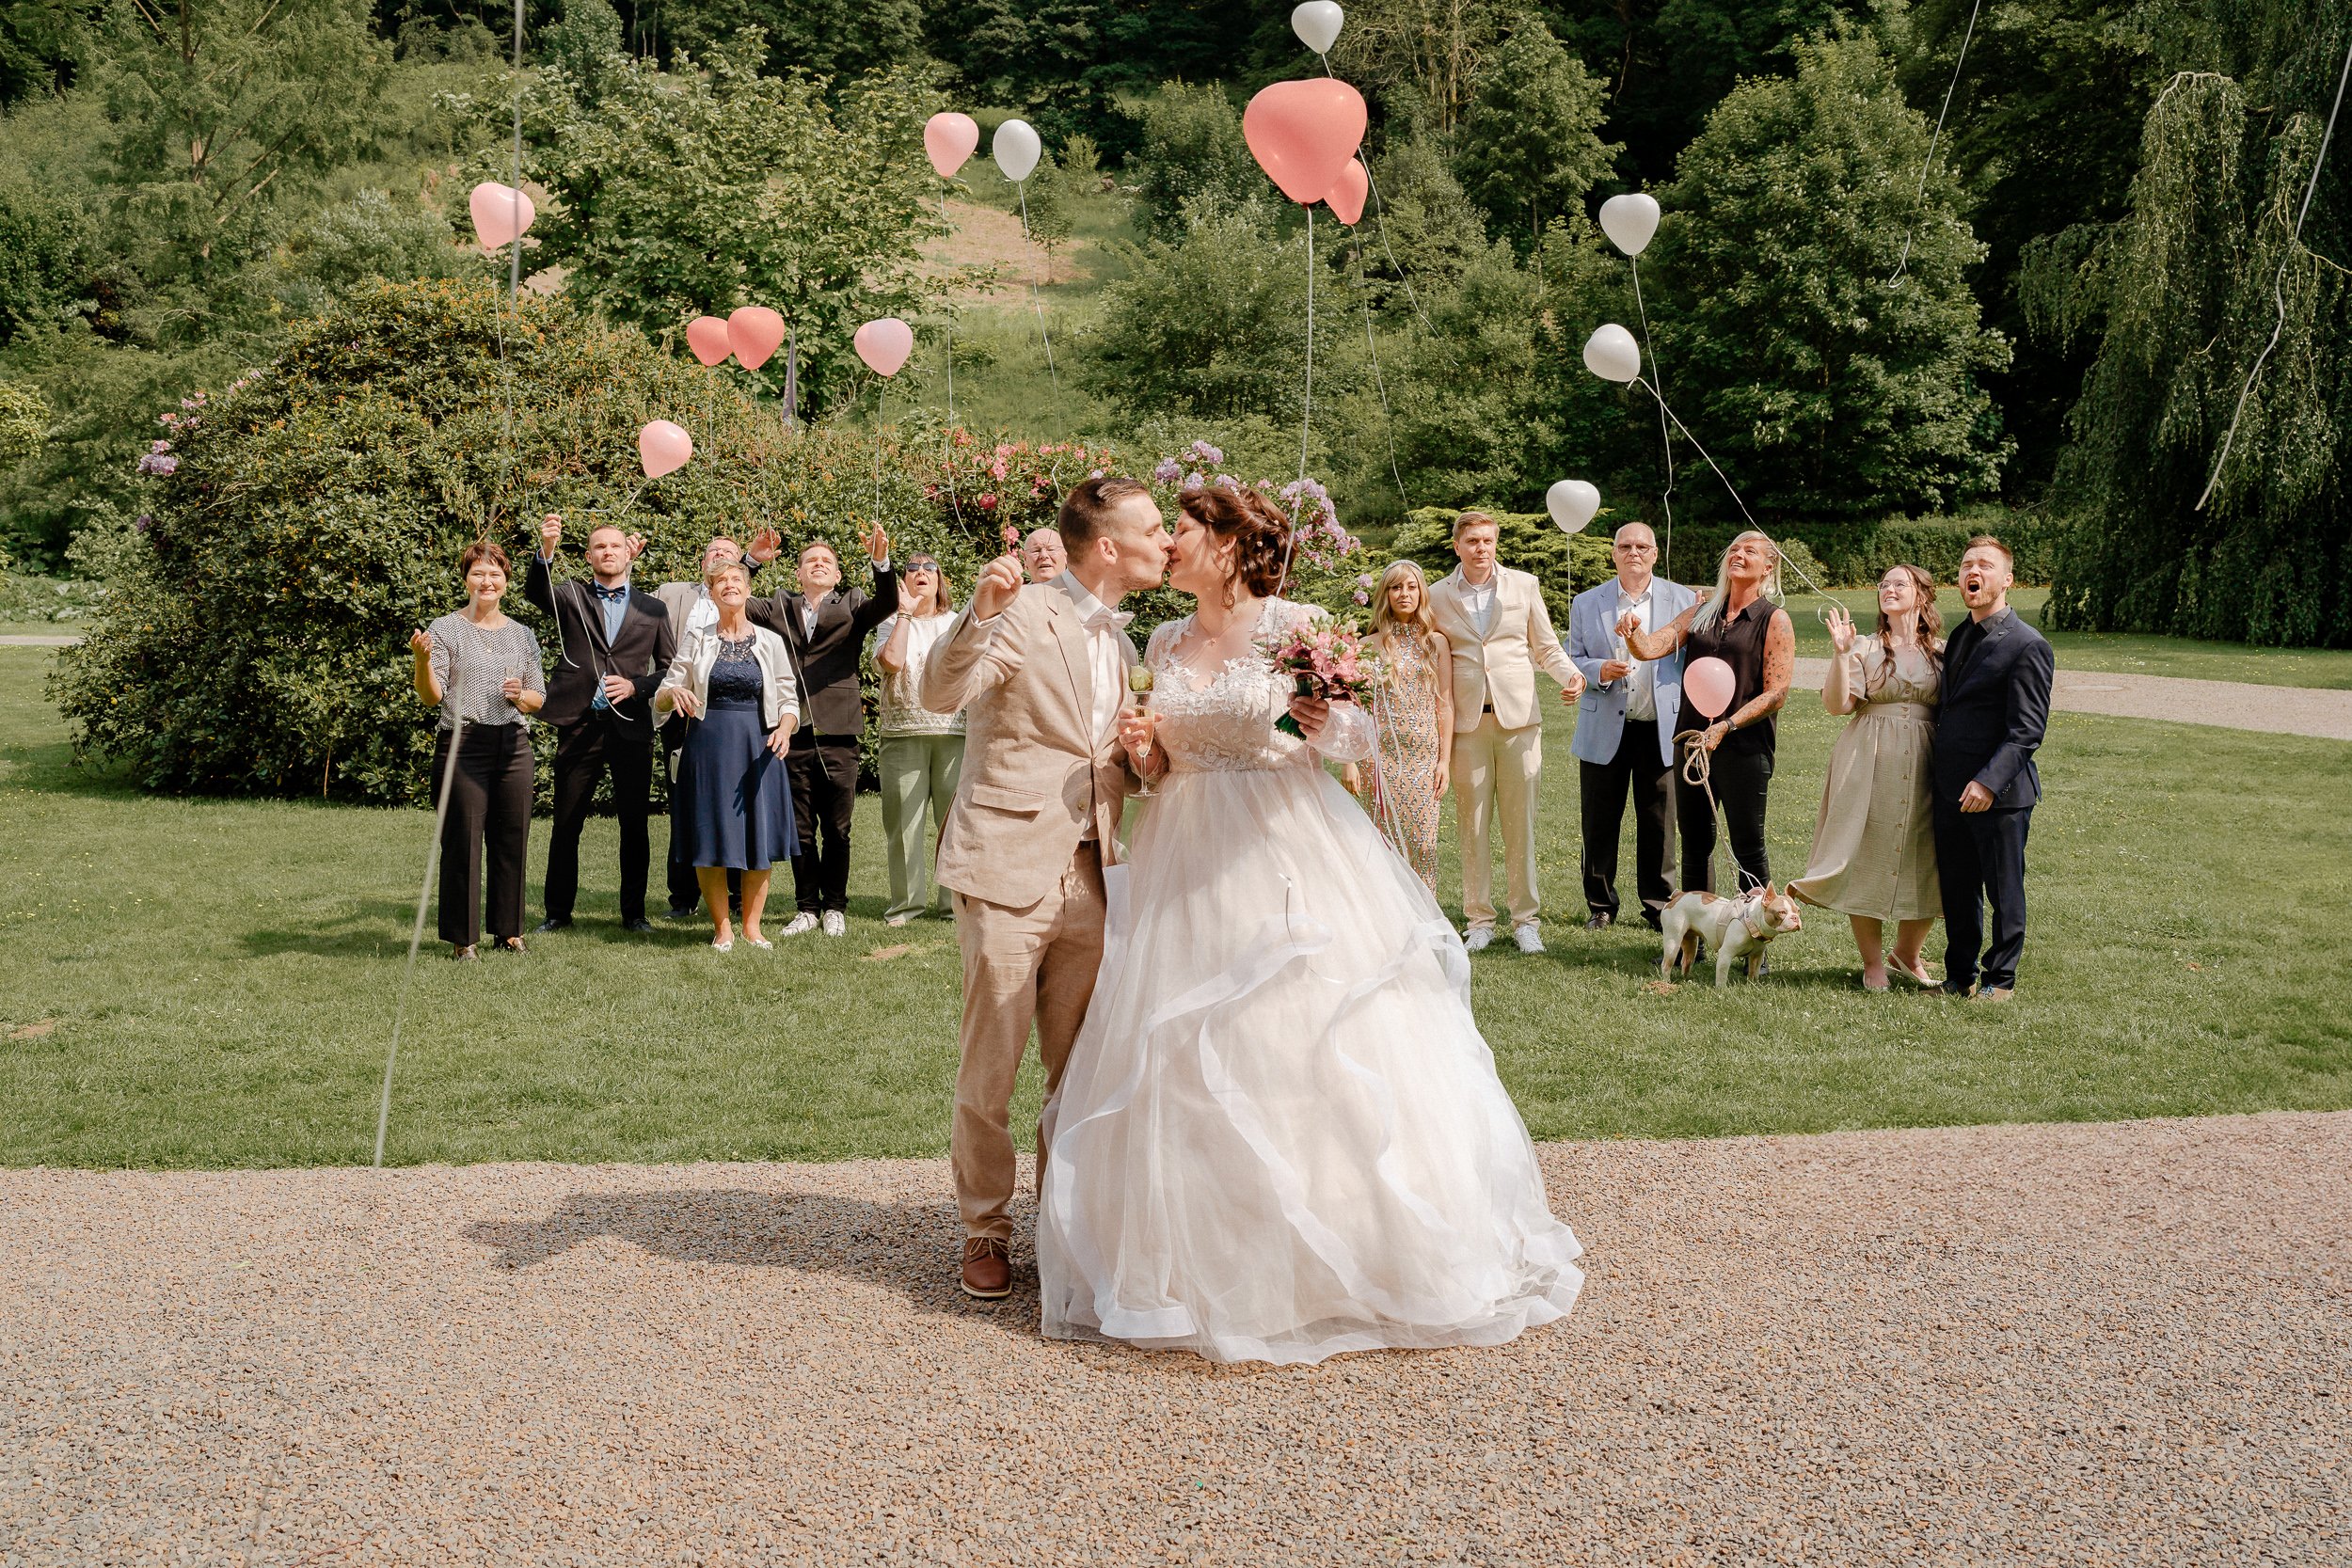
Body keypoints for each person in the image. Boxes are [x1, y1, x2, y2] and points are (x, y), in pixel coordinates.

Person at [1037, 483, 1582, 1366]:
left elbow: (1361, 738)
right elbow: (1164, 751)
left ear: (1225, 543)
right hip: (1186, 847)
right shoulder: (1165, 639)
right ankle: (1202, 1245)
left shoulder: (1300, 622)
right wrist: (1145, 749)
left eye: (1181, 530)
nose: (1168, 544)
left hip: (1286, 842)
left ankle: (1342, 1247)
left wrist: (1331, 721)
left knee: (1306, 1033)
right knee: (1180, 1044)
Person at [918, 476, 1162, 1300]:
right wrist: (978, 613)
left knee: (1080, 1067)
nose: (1166, 542)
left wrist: (1142, 757)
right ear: (1108, 546)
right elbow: (939, 692)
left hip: (1094, 869)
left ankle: (1060, 1219)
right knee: (991, 1063)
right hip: (1005, 862)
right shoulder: (1024, 611)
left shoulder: (1123, 643)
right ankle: (984, 1227)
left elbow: (1107, 756)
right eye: (1153, 529)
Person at [1427, 512, 1585, 954]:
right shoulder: (1438, 595)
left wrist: (1571, 675)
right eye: (1473, 541)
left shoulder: (1523, 585)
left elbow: (1545, 645)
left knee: (1521, 825)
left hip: (1518, 721)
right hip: (1466, 725)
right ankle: (1479, 920)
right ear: (1457, 546)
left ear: (1496, 544)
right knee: (1472, 824)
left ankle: (1525, 920)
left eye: (1489, 540)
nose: (1482, 548)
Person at [1790, 566, 1946, 990]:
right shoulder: (1863, 646)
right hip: (1868, 756)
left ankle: (1907, 954)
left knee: (1927, 851)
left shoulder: (1944, 652)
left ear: (1923, 596)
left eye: (1900, 584)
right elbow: (1838, 705)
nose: (1889, 590)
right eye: (1883, 585)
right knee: (1868, 849)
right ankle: (1873, 962)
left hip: (1928, 759)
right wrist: (1841, 655)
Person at [1618, 530, 1795, 900]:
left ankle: (1755, 943)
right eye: (1734, 549)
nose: (1739, 555)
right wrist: (1633, 635)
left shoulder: (1773, 619)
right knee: (1696, 844)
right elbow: (1651, 648)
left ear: (1768, 566)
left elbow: (1776, 692)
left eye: (1750, 551)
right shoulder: (1700, 613)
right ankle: (1693, 946)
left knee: (1749, 845)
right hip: (1692, 742)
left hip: (1745, 747)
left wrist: (1727, 726)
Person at [743, 525, 896, 937]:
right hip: (788, 731)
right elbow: (732, 595)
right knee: (800, 826)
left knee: (838, 826)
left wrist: (881, 562)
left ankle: (835, 907)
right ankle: (806, 907)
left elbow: (888, 601)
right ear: (798, 573)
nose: (819, 564)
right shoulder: (777, 604)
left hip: (839, 731)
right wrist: (752, 561)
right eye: (811, 560)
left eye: (827, 561)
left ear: (838, 574)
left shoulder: (853, 603)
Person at [526, 512, 675, 935]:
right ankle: (557, 913)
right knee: (567, 821)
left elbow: (669, 668)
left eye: (615, 545)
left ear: (630, 552)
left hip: (631, 726)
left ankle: (634, 914)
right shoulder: (572, 595)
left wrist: (636, 686)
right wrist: (547, 550)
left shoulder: (653, 607)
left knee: (634, 823)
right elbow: (537, 591)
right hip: (579, 722)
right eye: (600, 547)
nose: (608, 552)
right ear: (589, 556)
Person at [408, 540, 546, 959]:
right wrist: (421, 661)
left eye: (495, 574)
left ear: (506, 581)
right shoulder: (445, 629)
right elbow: (432, 697)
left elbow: (539, 698)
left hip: (512, 743)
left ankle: (509, 931)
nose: (487, 581)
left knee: (511, 839)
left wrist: (522, 695)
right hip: (462, 745)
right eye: (478, 573)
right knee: (463, 842)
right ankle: (462, 939)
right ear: (466, 578)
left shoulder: (522, 634)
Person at [654, 562, 800, 951]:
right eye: (721, 582)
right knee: (710, 833)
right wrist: (674, 695)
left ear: (748, 590)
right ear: (712, 592)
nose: (730, 586)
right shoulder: (697, 638)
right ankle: (723, 928)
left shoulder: (771, 641)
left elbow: (788, 697)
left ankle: (752, 927)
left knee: (760, 835)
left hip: (760, 744)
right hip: (708, 745)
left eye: (737, 580)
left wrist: (785, 728)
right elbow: (664, 692)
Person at [1931, 536, 2052, 1002]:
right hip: (1949, 791)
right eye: (1965, 566)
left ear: (2008, 580)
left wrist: (1987, 780)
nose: (1971, 573)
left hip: (2000, 794)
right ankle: (1959, 975)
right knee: (1958, 891)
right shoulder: (1961, 635)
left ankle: (2000, 979)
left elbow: (2026, 731)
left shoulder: (2027, 645)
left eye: (1984, 565)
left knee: (2003, 890)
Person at [1567, 522, 1695, 931]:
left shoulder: (1685, 599)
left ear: (1656, 554)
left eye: (1643, 546)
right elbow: (1571, 657)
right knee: (1599, 819)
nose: (1634, 552)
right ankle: (1600, 905)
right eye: (1625, 546)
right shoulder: (1587, 602)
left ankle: (1658, 904)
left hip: (1661, 726)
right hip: (1605, 725)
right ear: (1614, 553)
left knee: (1659, 821)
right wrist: (1598, 669)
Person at [653, 536, 752, 920]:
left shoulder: (749, 607)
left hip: (733, 720)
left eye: (729, 554)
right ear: (702, 565)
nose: (720, 557)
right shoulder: (673, 594)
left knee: (737, 807)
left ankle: (739, 898)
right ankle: (683, 898)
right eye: (713, 552)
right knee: (687, 810)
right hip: (681, 713)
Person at [1342, 560, 1454, 891]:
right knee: (1382, 840)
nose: (1404, 594)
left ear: (1421, 592)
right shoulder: (1367, 646)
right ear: (1385, 594)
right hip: (1380, 757)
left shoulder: (1436, 643)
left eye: (1411, 586)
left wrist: (1444, 760)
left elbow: (1445, 703)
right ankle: (1386, 917)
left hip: (1424, 755)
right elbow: (1353, 707)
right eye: (1395, 587)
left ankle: (1425, 917)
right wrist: (1349, 761)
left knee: (1423, 843)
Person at [870, 552, 965, 926]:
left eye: (929, 568)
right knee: (903, 824)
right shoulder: (890, 621)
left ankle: (953, 905)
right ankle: (906, 906)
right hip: (902, 734)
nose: (920, 573)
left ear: (940, 580)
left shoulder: (956, 622)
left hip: (954, 732)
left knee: (954, 823)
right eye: (912, 569)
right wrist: (905, 614)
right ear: (904, 581)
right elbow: (890, 663)